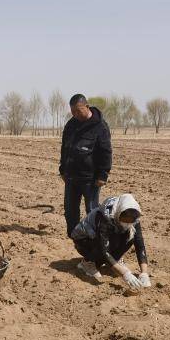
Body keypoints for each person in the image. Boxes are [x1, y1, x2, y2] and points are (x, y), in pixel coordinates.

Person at [70, 193, 151, 290]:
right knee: (102, 246)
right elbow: (103, 249)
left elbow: (139, 243)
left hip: (104, 238)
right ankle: (87, 263)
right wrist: (124, 274)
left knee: (131, 235)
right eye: (124, 220)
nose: (127, 223)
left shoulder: (134, 218)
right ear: (119, 213)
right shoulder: (105, 216)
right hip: (84, 240)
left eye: (130, 221)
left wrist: (144, 273)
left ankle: (114, 260)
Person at [59, 93, 112, 237]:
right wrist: (62, 169)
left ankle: (95, 236)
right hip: (71, 177)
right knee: (70, 210)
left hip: (90, 179)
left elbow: (106, 151)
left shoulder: (100, 126)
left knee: (92, 210)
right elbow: (65, 148)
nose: (75, 114)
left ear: (87, 107)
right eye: (73, 111)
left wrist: (103, 174)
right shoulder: (71, 125)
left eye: (78, 111)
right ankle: (74, 235)